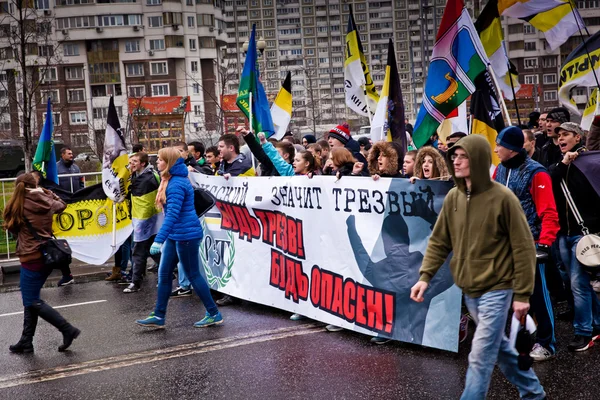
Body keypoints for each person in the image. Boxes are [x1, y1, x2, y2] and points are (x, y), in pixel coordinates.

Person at [410, 135, 546, 400]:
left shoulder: (503, 198)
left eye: (463, 156)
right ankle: (533, 393)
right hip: (470, 290)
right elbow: (440, 241)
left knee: (480, 355)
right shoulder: (453, 198)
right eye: (454, 157)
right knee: (500, 350)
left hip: (498, 288)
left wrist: (521, 295)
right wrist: (424, 277)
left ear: (480, 160)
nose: (456, 161)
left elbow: (523, 247)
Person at [493, 126, 560, 362]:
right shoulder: (499, 170)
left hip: (531, 244)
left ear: (511, 149)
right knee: (510, 296)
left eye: (499, 144)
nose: (495, 149)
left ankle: (547, 344)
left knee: (538, 296)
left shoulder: (536, 173)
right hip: (504, 245)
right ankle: (516, 339)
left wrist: (544, 244)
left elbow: (549, 211)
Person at [136, 148, 223, 328]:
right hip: (177, 234)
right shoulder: (169, 180)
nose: (157, 163)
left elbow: (173, 216)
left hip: (187, 235)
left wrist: (159, 239)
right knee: (164, 273)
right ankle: (159, 315)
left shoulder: (175, 184)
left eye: (160, 160)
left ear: (169, 163)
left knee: (192, 274)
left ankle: (213, 313)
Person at [4, 173, 81, 354]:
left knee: (31, 300)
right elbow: (62, 204)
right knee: (30, 300)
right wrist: (48, 192)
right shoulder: (46, 200)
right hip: (47, 256)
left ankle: (67, 329)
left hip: (30, 257)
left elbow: (11, 227)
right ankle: (26, 340)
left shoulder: (18, 204)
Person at [549, 122, 600, 351]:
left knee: (579, 285)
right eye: (558, 135)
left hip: (583, 234)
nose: (560, 138)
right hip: (563, 234)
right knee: (575, 284)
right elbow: (550, 180)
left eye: (566, 134)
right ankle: (597, 323)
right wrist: (564, 163)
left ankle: (583, 333)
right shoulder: (558, 165)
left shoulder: (589, 165)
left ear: (577, 138)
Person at [123, 152, 162, 293]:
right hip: (148, 220)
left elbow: (144, 202)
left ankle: (136, 282)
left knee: (138, 251)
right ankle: (166, 274)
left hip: (144, 221)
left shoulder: (146, 179)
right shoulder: (139, 176)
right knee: (153, 251)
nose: (131, 164)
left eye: (134, 161)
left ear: (143, 164)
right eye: (130, 161)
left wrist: (140, 224)